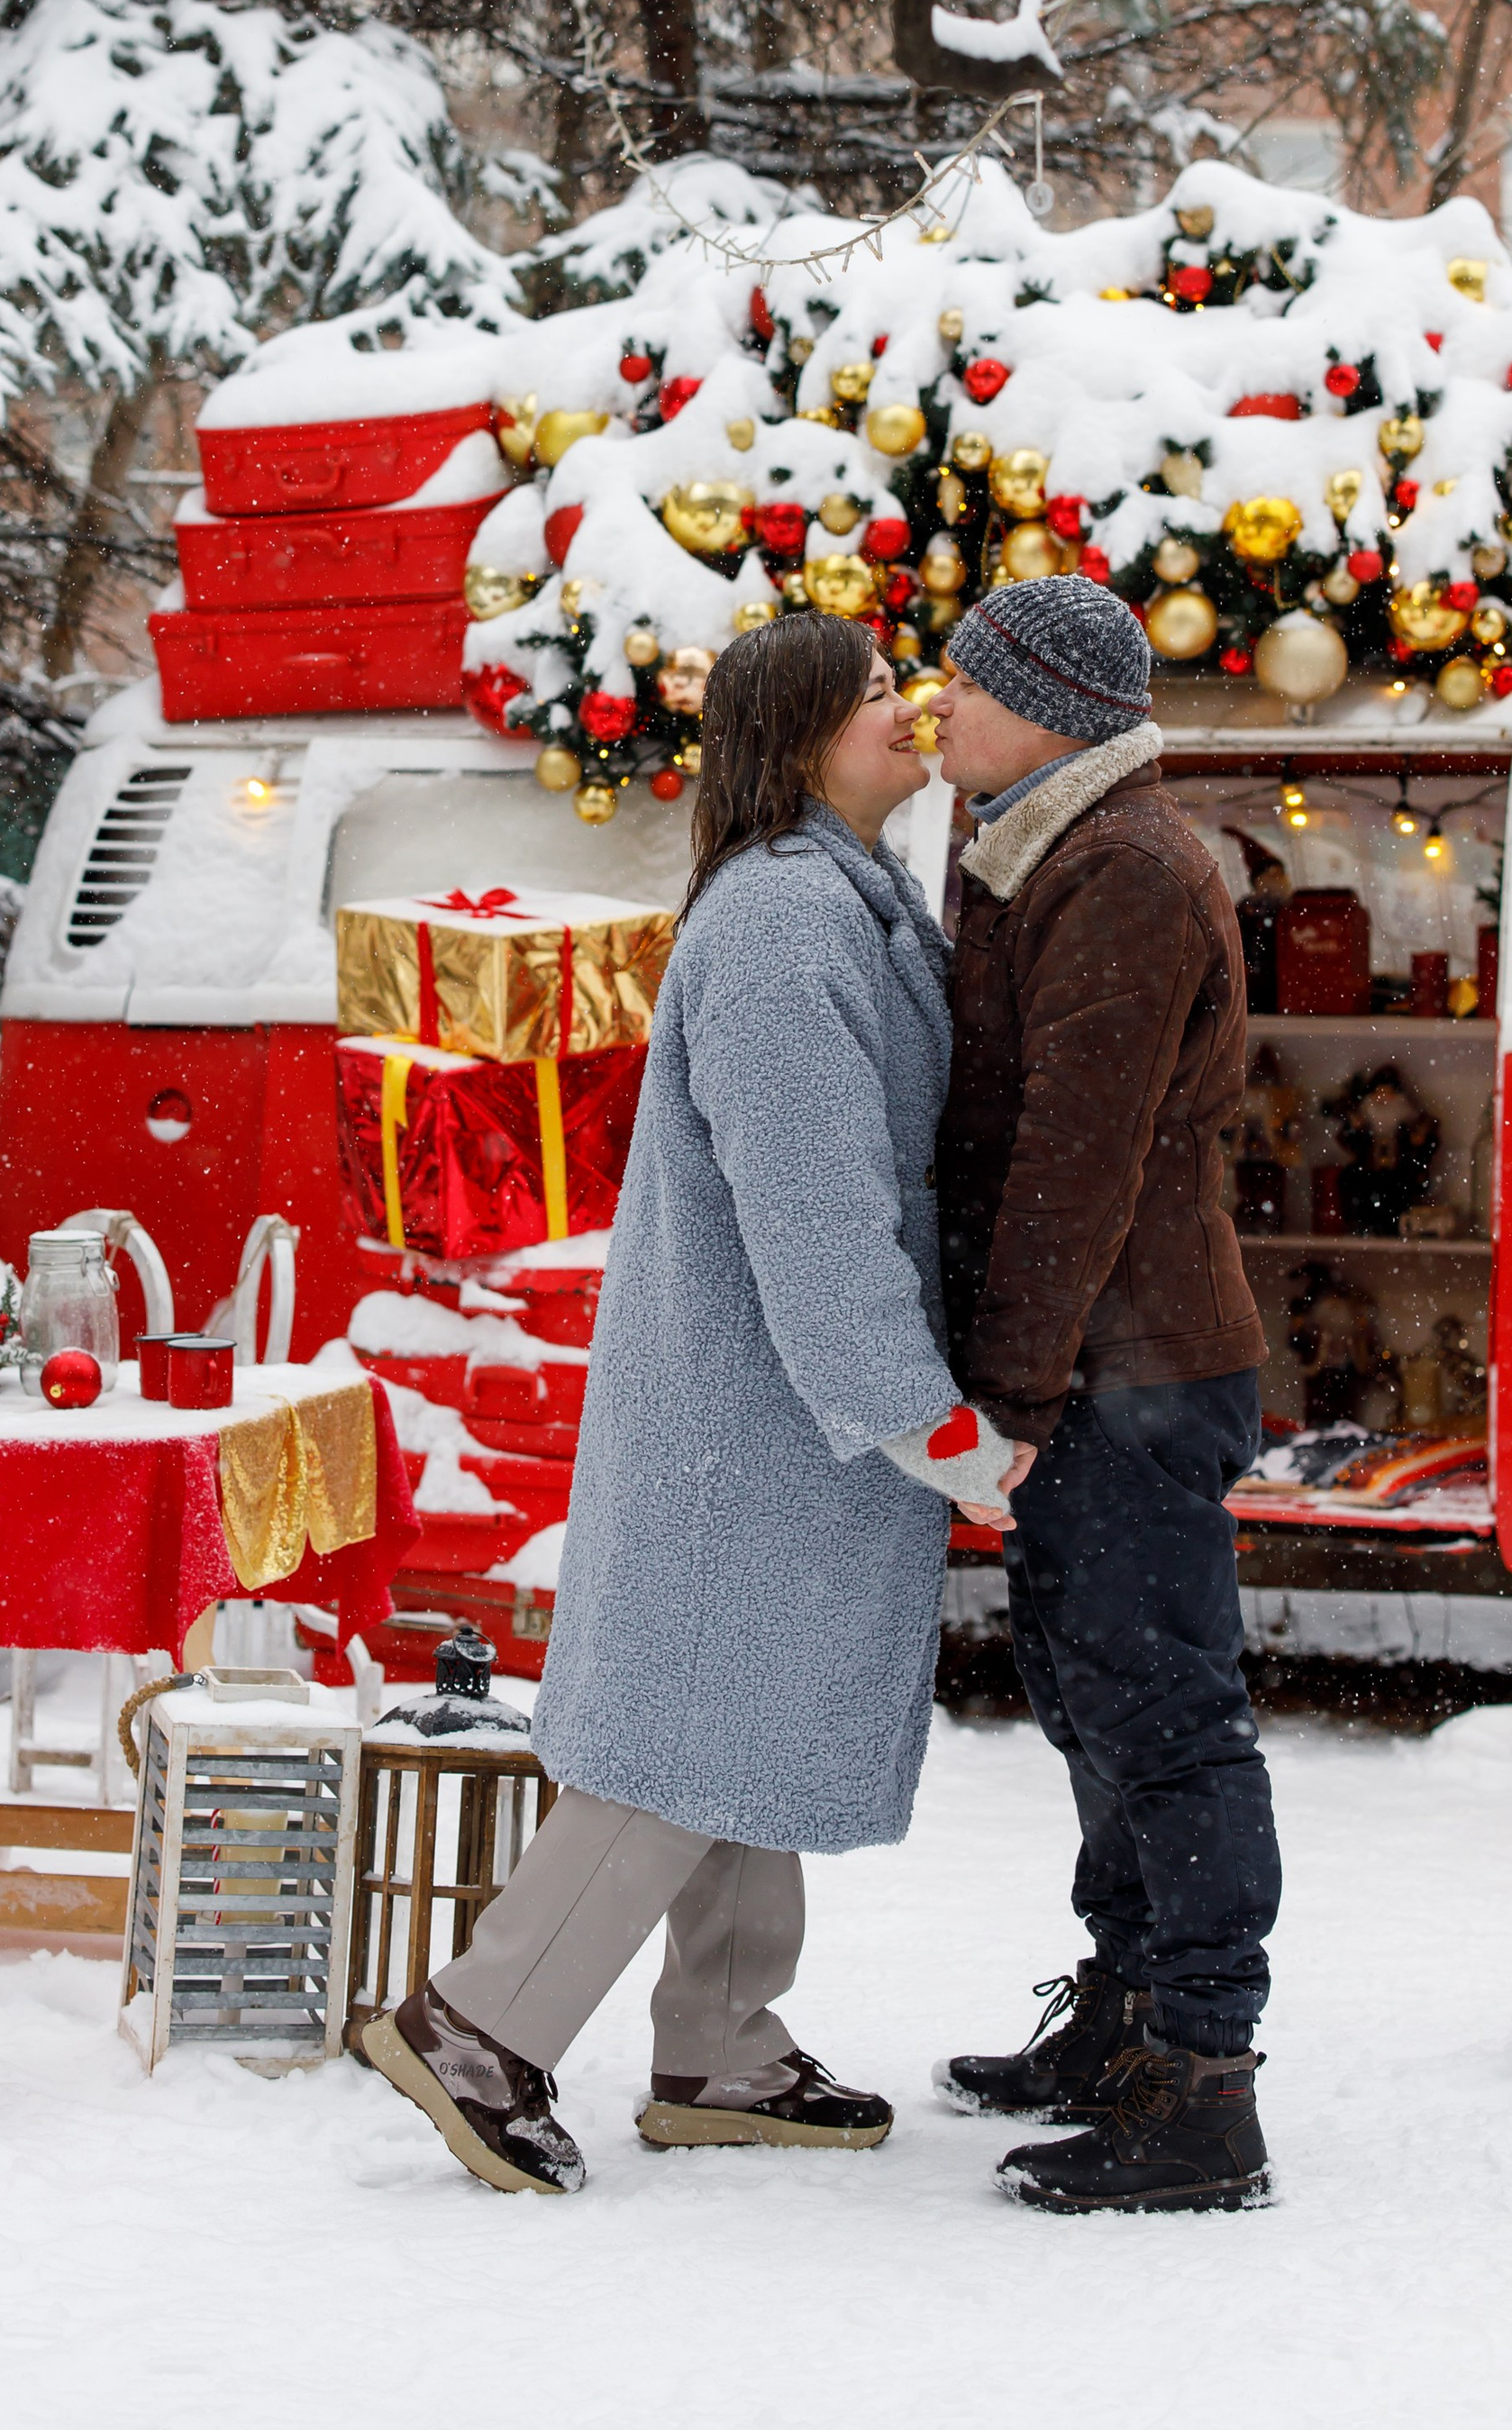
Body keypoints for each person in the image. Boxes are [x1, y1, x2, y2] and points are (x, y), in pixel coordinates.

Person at [360, 613, 1021, 2195]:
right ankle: (476, 2027)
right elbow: (814, 1210)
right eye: (875, 700)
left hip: (774, 1415)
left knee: (751, 1718)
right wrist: (926, 1419)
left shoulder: (831, 899)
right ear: (797, 741)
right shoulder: (791, 924)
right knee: (683, 1739)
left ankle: (723, 2040)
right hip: (762, 1418)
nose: (909, 716)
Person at [928, 572, 1280, 2216]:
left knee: (1165, 1717)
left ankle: (1207, 2089)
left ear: (1050, 707)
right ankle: (1130, 2016)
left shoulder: (1123, 869)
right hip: (1098, 1365)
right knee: (1090, 1702)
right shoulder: (1031, 845)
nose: (936, 699)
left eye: (966, 680)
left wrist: (1006, 1388)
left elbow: (1072, 1158)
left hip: (1131, 1366)